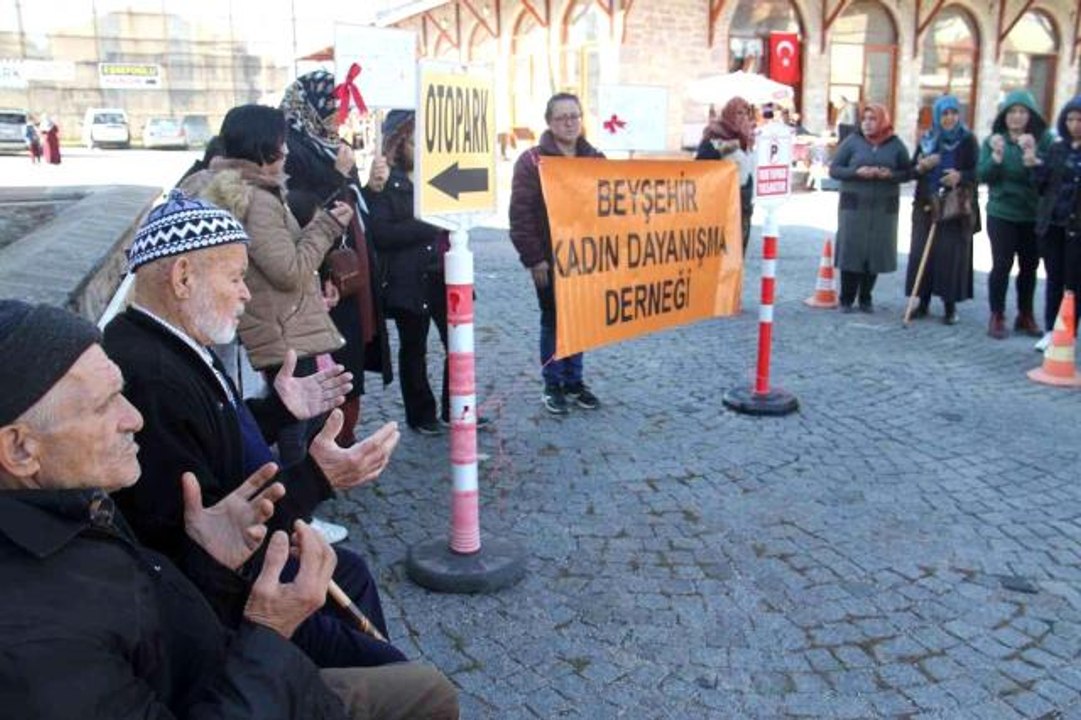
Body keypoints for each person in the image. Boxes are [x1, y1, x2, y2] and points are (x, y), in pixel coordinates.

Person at [0, 299, 459, 719]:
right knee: (425, 693)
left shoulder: (68, 498)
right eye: (104, 406)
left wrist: (211, 562)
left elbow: (158, 617)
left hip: (232, 667)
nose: (133, 418)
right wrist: (269, 631)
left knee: (418, 682)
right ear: (20, 450)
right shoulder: (33, 637)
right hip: (243, 680)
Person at [102, 192, 438, 683]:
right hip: (225, 601)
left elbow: (216, 441)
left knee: (351, 572)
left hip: (240, 570)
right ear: (183, 278)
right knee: (396, 677)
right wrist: (319, 478)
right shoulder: (151, 376)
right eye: (236, 278)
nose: (246, 293)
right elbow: (215, 528)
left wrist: (278, 410)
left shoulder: (175, 342)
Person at [180, 104, 352, 464]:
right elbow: (288, 271)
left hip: (266, 325)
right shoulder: (257, 199)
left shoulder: (225, 185)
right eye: (281, 142)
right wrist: (326, 227)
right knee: (296, 422)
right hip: (281, 329)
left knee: (287, 418)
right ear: (263, 147)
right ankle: (295, 493)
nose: (287, 150)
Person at [280, 70, 392, 448]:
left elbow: (353, 204)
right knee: (331, 362)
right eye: (332, 111)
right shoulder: (292, 149)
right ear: (311, 109)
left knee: (351, 357)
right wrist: (336, 176)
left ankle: (344, 437)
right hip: (322, 275)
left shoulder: (332, 144)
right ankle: (328, 445)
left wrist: (371, 187)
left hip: (351, 271)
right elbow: (299, 212)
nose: (338, 119)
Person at [366, 111, 489, 435]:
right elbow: (381, 234)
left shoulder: (441, 176)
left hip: (447, 275)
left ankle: (457, 407)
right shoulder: (386, 184)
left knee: (458, 344)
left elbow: (470, 204)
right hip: (409, 278)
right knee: (414, 348)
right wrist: (429, 223)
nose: (420, 149)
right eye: (412, 142)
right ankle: (421, 415)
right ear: (397, 144)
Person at [509, 92, 605, 415]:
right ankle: (553, 383)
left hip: (587, 257)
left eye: (574, 116)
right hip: (549, 259)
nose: (569, 122)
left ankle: (574, 381)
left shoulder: (595, 160)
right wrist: (534, 257)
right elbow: (520, 214)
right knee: (553, 319)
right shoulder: (531, 162)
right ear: (549, 122)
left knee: (580, 318)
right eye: (562, 117)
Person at [977, 90, 1051, 339]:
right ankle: (997, 314)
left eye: (1022, 112)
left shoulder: (1043, 141)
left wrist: (1034, 159)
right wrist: (996, 158)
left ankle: (1025, 314)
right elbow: (982, 175)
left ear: (1031, 116)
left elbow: (1048, 178)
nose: (1017, 117)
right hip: (1002, 212)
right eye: (1012, 112)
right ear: (1004, 116)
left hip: (1031, 213)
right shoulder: (994, 140)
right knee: (1001, 264)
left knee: (1030, 266)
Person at [829, 104, 912, 313]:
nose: (867, 123)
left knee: (874, 252)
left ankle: (866, 298)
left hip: (882, 208)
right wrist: (856, 172)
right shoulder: (852, 141)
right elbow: (834, 169)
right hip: (854, 206)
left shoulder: (895, 144)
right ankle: (846, 298)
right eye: (865, 118)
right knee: (852, 250)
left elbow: (908, 172)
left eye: (873, 119)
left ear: (882, 121)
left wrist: (890, 175)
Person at [905, 95, 979, 324]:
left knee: (949, 255)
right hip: (926, 203)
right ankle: (923, 302)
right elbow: (911, 171)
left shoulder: (967, 140)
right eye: (945, 114)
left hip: (953, 206)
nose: (949, 118)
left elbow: (978, 171)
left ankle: (950, 307)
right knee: (923, 253)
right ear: (937, 116)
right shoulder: (928, 139)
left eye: (953, 113)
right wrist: (922, 166)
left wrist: (960, 176)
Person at [1033, 95, 1081, 341]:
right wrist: (1036, 167)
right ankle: (1050, 329)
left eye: (1079, 120)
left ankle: (1068, 332)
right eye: (1070, 119)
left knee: (1074, 284)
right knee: (1054, 279)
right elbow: (1042, 186)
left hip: (1077, 227)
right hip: (1053, 223)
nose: (1075, 125)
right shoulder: (1057, 148)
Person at [695, 96, 755, 254]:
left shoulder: (746, 136)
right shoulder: (715, 133)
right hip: (720, 204)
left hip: (743, 204)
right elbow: (701, 161)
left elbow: (747, 169)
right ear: (729, 113)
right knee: (721, 252)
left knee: (738, 252)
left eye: (746, 113)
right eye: (739, 113)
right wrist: (725, 148)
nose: (743, 117)